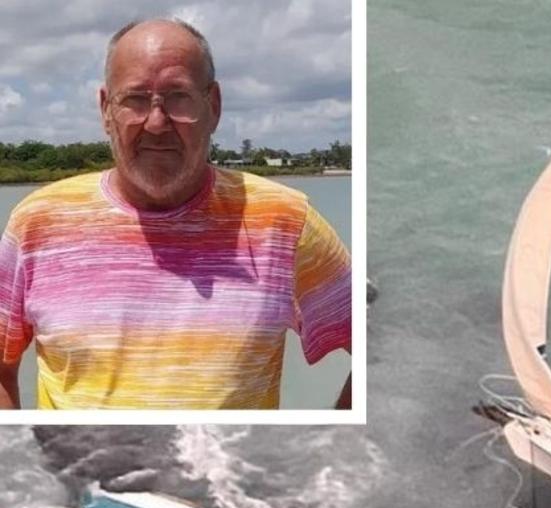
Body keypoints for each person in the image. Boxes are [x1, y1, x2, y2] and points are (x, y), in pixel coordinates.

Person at [0, 18, 352, 410]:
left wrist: (336, 450)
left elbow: (380, 344)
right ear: (105, 111)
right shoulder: (38, 224)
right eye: (135, 99)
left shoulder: (285, 223)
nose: (156, 122)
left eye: (178, 97)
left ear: (213, 106)